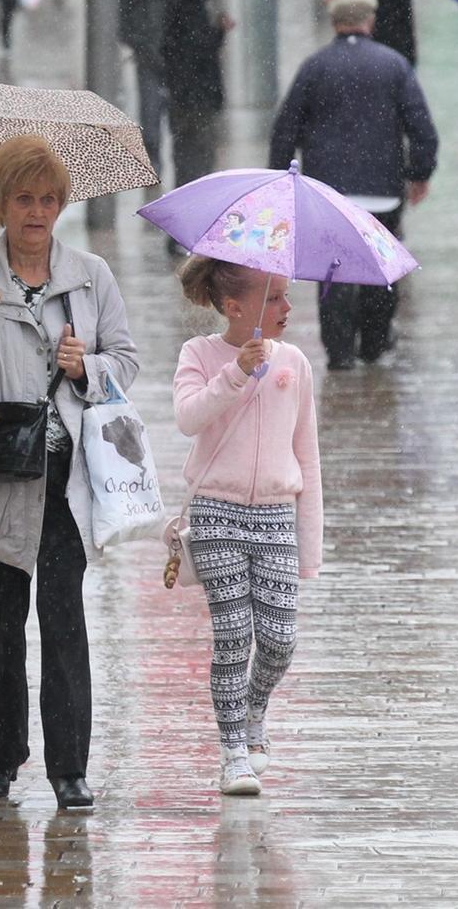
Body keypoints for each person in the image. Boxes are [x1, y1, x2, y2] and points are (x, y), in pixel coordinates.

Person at [0, 135, 139, 812]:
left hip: (64, 474)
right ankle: (0, 756)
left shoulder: (90, 276)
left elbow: (127, 361)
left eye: (48, 199)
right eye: (23, 198)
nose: (36, 212)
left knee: (64, 617)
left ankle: (69, 766)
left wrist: (88, 367)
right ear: (1, 203)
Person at [172, 256, 321, 796]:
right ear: (235, 307)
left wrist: (310, 546)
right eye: (274, 297)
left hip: (276, 513)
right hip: (216, 511)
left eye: (286, 294)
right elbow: (188, 417)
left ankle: (254, 708)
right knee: (233, 635)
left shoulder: (296, 364)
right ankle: (233, 750)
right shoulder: (199, 354)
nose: (287, 307)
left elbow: (308, 455)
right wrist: (236, 373)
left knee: (280, 639)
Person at [269, 0, 438, 369]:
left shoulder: (314, 67)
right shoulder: (394, 65)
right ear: (370, 22)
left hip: (327, 193)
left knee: (334, 270)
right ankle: (375, 342)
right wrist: (419, 173)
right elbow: (422, 128)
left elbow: (285, 129)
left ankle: (340, 352)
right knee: (380, 266)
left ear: (335, 23)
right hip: (383, 192)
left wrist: (281, 180)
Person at [162, 0, 233, 191]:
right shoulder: (194, 11)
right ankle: (199, 191)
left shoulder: (174, 8)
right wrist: (219, 30)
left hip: (180, 93)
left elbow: (170, 50)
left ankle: (183, 191)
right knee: (202, 149)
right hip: (199, 95)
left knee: (183, 148)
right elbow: (201, 50)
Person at [118, 0, 170, 176]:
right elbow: (122, 22)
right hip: (147, 60)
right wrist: (140, 44)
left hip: (173, 61)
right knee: (149, 120)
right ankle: (154, 164)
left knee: (178, 120)